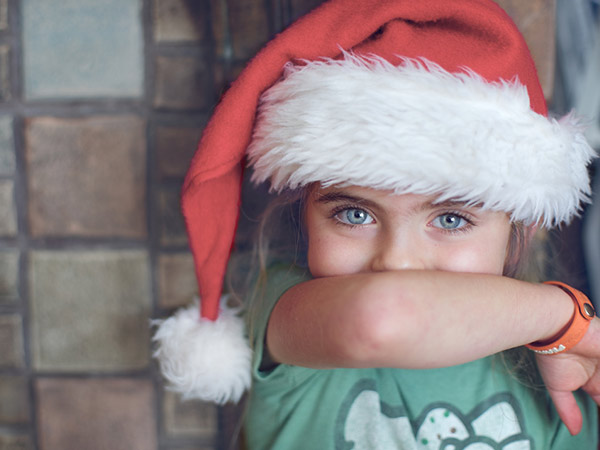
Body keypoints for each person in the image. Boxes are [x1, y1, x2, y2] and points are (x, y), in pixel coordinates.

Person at [152, 0, 599, 448]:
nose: (396, 262)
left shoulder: (558, 384)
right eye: (355, 214)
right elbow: (381, 317)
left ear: (524, 224)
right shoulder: (287, 309)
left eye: (450, 218)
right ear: (306, 213)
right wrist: (562, 319)